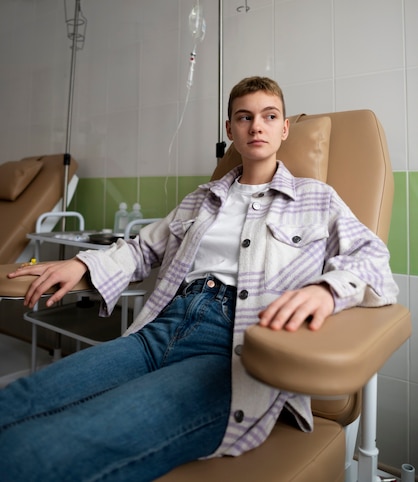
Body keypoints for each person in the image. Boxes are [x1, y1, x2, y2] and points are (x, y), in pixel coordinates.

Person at [0, 76, 398, 482]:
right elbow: (142, 249)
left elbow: (373, 259)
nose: (256, 126)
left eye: (269, 116)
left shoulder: (318, 199)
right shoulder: (200, 199)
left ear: (284, 128)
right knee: (19, 399)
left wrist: (326, 291)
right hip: (158, 332)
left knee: (51, 445)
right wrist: (81, 265)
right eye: (244, 117)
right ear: (230, 130)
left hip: (231, 351)